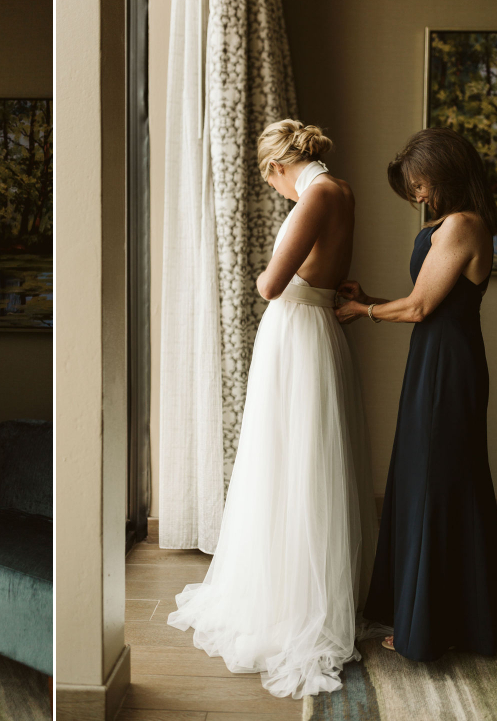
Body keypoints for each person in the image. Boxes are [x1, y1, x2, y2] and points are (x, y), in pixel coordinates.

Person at [168, 120, 378, 699]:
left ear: (276, 168)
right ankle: (303, 583)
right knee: (304, 458)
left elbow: (270, 284)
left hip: (296, 332)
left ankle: (292, 602)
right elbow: (324, 270)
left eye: (273, 184)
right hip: (314, 327)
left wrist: (268, 273)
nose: (277, 193)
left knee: (288, 459)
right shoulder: (343, 190)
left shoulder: (315, 194)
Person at [336, 128, 497, 660]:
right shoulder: (451, 222)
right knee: (426, 479)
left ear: (447, 175)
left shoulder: (462, 224)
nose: (417, 194)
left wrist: (361, 311)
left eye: (421, 183)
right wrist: (370, 298)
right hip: (433, 361)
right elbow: (427, 302)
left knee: (437, 483)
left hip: (448, 368)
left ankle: (433, 625)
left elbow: (418, 309)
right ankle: (443, 614)